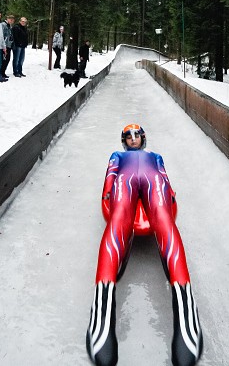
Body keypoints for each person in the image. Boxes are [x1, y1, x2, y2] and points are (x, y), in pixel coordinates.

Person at [86, 124, 202, 366]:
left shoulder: (155, 156)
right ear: (124, 141)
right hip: (125, 182)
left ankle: (186, 313)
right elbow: (110, 175)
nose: (133, 139)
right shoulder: (117, 156)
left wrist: (170, 195)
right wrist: (108, 193)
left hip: (153, 181)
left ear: (144, 138)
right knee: (119, 219)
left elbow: (164, 176)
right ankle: (102, 313)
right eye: (128, 136)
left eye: (137, 135)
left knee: (163, 218)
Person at [1, 14, 14, 79]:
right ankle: (1, 73)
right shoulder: (3, 25)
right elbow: (2, 35)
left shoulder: (10, 26)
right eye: (10, 19)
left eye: (12, 20)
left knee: (7, 59)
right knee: (4, 59)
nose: (11, 21)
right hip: (4, 45)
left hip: (9, 45)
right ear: (7, 19)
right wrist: (3, 45)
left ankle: (3, 72)